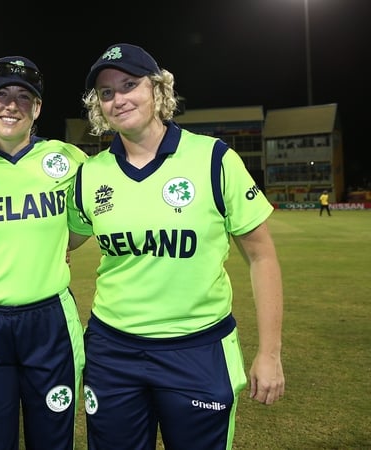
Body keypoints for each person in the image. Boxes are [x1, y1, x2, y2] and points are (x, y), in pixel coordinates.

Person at [67, 43, 285, 449]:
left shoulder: (214, 159)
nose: (118, 99)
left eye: (129, 85)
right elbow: (61, 242)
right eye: (107, 92)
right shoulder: (90, 174)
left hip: (198, 349)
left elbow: (262, 256)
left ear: (157, 89)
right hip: (113, 351)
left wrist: (269, 353)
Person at [0, 56, 88, 450]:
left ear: (38, 107)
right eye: (1, 94)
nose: (11, 105)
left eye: (23, 96)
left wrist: (52, 248)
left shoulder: (69, 160)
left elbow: (84, 225)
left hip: (49, 322)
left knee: (52, 440)